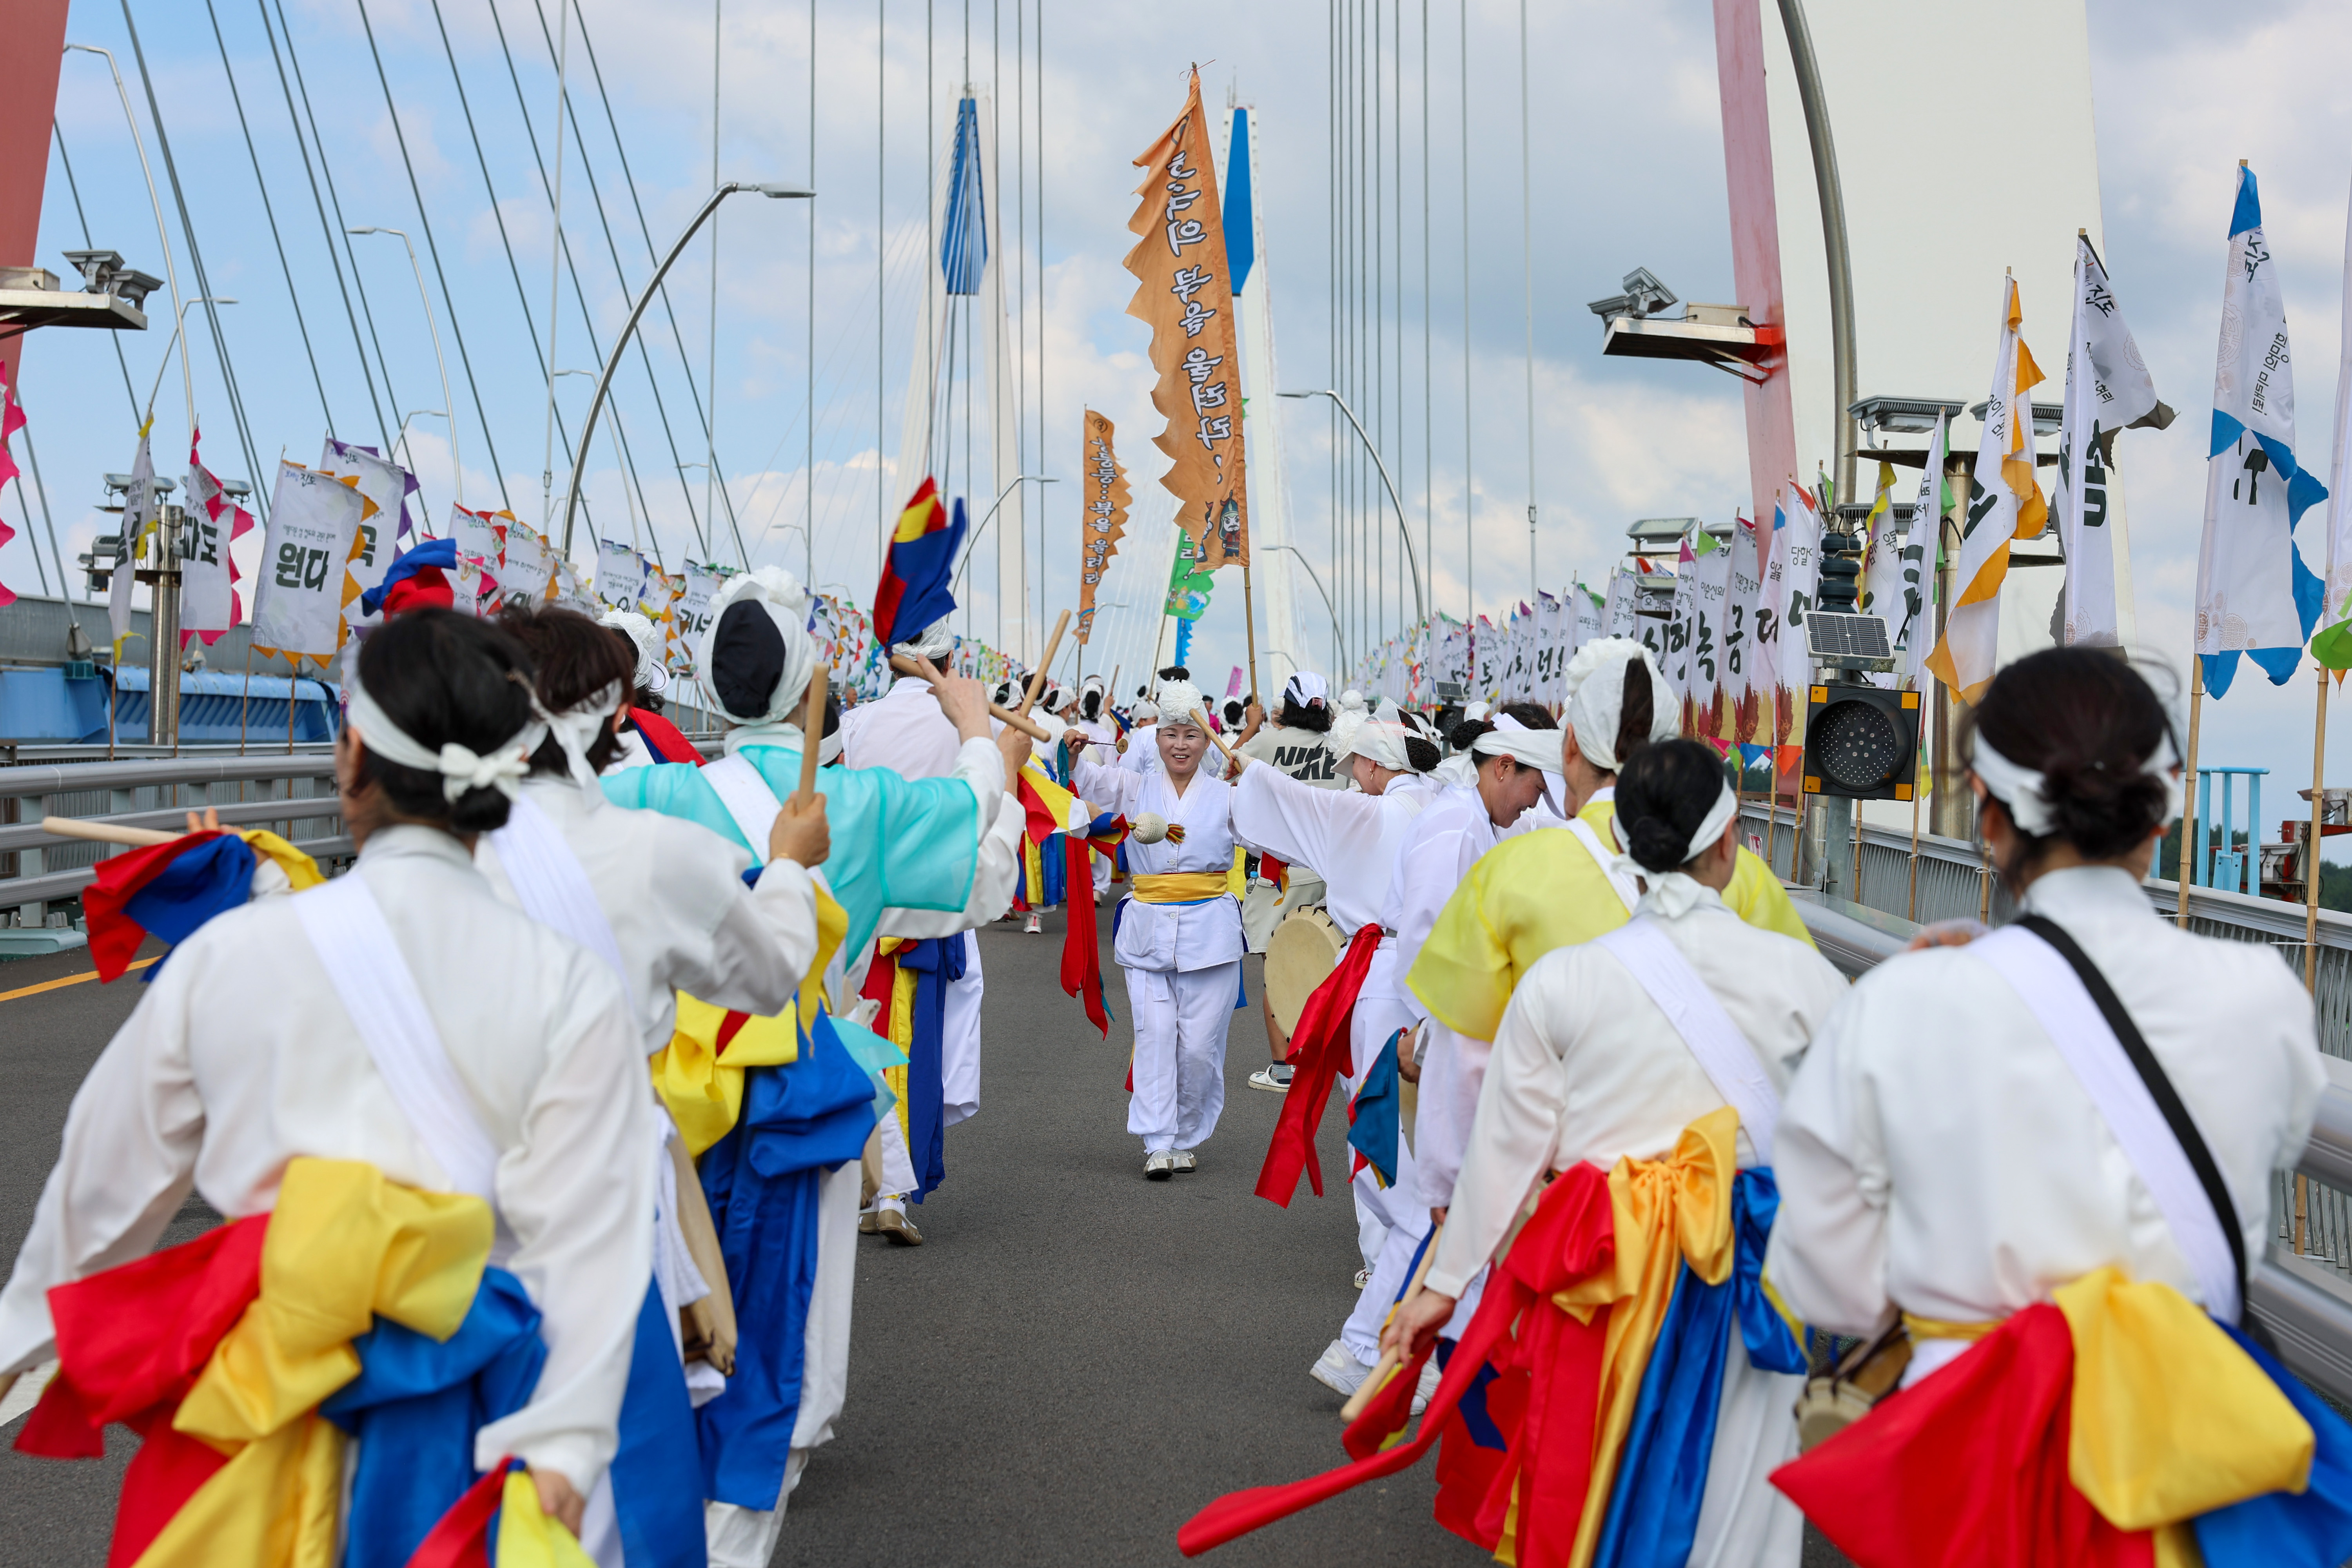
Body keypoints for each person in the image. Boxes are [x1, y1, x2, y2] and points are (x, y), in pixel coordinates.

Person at [0, 610, 653, 1560]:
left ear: (354, 757)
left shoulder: (228, 958)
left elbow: (98, 1191)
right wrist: (560, 1451)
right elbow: (595, 1245)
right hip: (476, 1422)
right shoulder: (572, 985)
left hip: (261, 1411)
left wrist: (23, 1336)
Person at [1767, 649, 2340, 1562]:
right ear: (2155, 818)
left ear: (1989, 817)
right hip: (2193, 1468)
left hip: (1970, 1474)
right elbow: (2265, 1154)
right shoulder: (2261, 992)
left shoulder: (1901, 1003)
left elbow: (1820, 1278)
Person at [601, 569, 1024, 1561]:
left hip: (662, 1102)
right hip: (802, 1096)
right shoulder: (860, 805)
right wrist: (979, 733)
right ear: (807, 693)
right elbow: (980, 866)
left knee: (664, 1341)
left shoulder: (649, 793)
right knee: (785, 1371)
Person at [1368, 739, 1846, 1563]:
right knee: (1745, 1509)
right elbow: (1849, 1153)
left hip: (1598, 1275)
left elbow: (1503, 1156)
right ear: (1730, 842)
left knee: (1590, 1493)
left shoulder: (1564, 981)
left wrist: (1443, 1286)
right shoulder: (1805, 978)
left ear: (1622, 844)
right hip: (1753, 1279)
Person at [1224, 704, 1445, 1404]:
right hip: (1417, 984)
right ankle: (1401, 1347)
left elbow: (1299, 806)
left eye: (1358, 763)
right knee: (1413, 1163)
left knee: (1391, 1165)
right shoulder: (1445, 808)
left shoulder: (1379, 815)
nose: (1352, 775)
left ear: (1380, 764)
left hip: (1379, 983)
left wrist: (1251, 772)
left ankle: (1374, 1343)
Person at [837, 616, 1020, 1175]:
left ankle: (861, 1171)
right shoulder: (969, 730)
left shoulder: (855, 723)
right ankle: (895, 1183)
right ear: (949, 663)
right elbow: (985, 812)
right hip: (937, 900)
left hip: (861, 907)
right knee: (922, 1045)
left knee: (856, 1031)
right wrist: (1004, 757)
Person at [1071, 678, 1245, 1178]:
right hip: (1147, 926)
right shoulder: (1135, 785)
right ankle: (1158, 1140)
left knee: (1198, 1044)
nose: (1180, 744)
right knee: (1154, 1033)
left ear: (1207, 738)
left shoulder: (1226, 795)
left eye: (1191, 735)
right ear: (1156, 738)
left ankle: (1186, 1134)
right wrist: (1078, 756)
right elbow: (1092, 784)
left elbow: (1268, 833)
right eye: (1171, 734)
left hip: (1211, 932)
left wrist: (1253, 780)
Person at [1234, 673, 1346, 1093]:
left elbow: (1223, 765)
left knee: (1277, 971)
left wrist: (1253, 724)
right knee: (1323, 967)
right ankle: (1322, 1060)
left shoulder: (1266, 743)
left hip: (1278, 874)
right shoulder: (1337, 748)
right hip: (1329, 870)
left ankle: (1284, 1068)